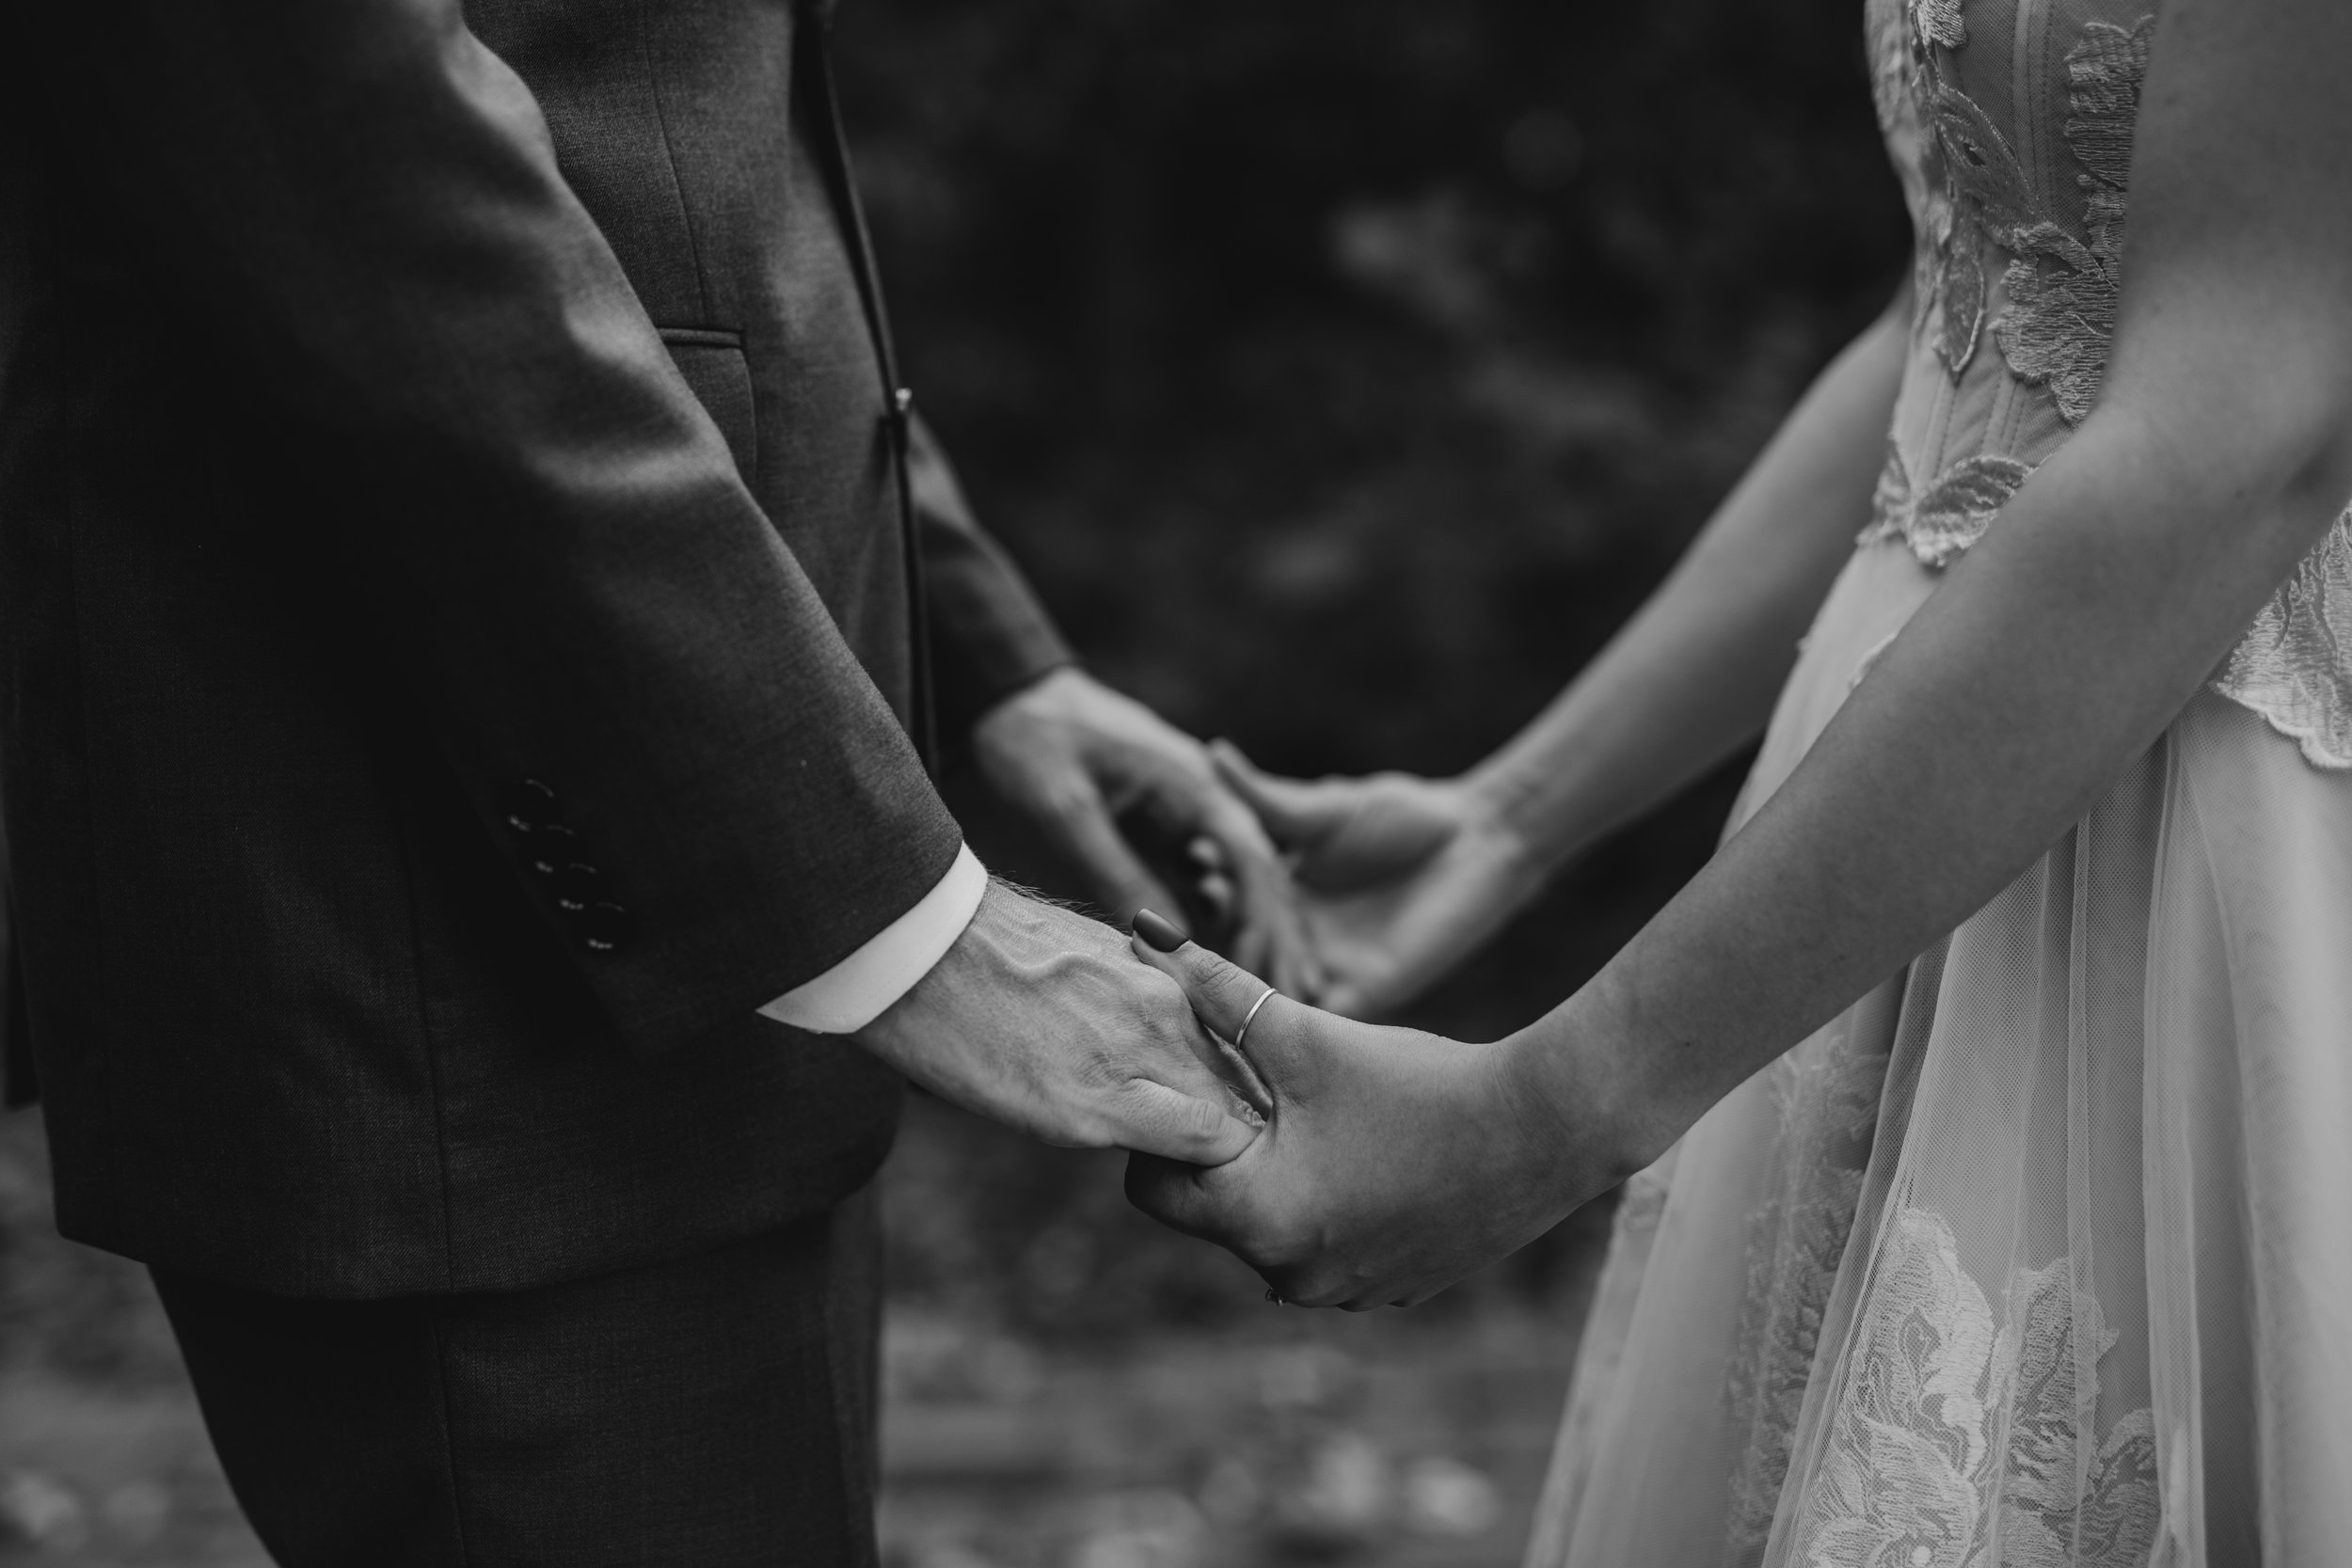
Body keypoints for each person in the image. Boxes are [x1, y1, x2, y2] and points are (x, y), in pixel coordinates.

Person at [0, 2, 1303, 1563]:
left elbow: (671, 126)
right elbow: (336, 150)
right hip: (457, 931)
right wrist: (905, 926)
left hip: (711, 876)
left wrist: (976, 640)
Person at [1129, 0, 2352, 1560]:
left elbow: (2235, 437)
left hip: (2226, 899)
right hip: (1909, 856)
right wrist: (1517, 815)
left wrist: (1550, 1108)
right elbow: (1980, 299)